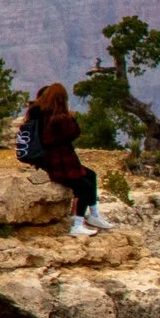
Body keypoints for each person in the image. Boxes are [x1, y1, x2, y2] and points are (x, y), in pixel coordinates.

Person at [19, 81, 111, 238]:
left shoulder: (38, 113)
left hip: (51, 159)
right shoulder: (58, 118)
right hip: (60, 160)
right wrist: (71, 117)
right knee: (84, 187)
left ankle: (94, 215)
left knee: (91, 175)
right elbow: (73, 133)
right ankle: (77, 225)